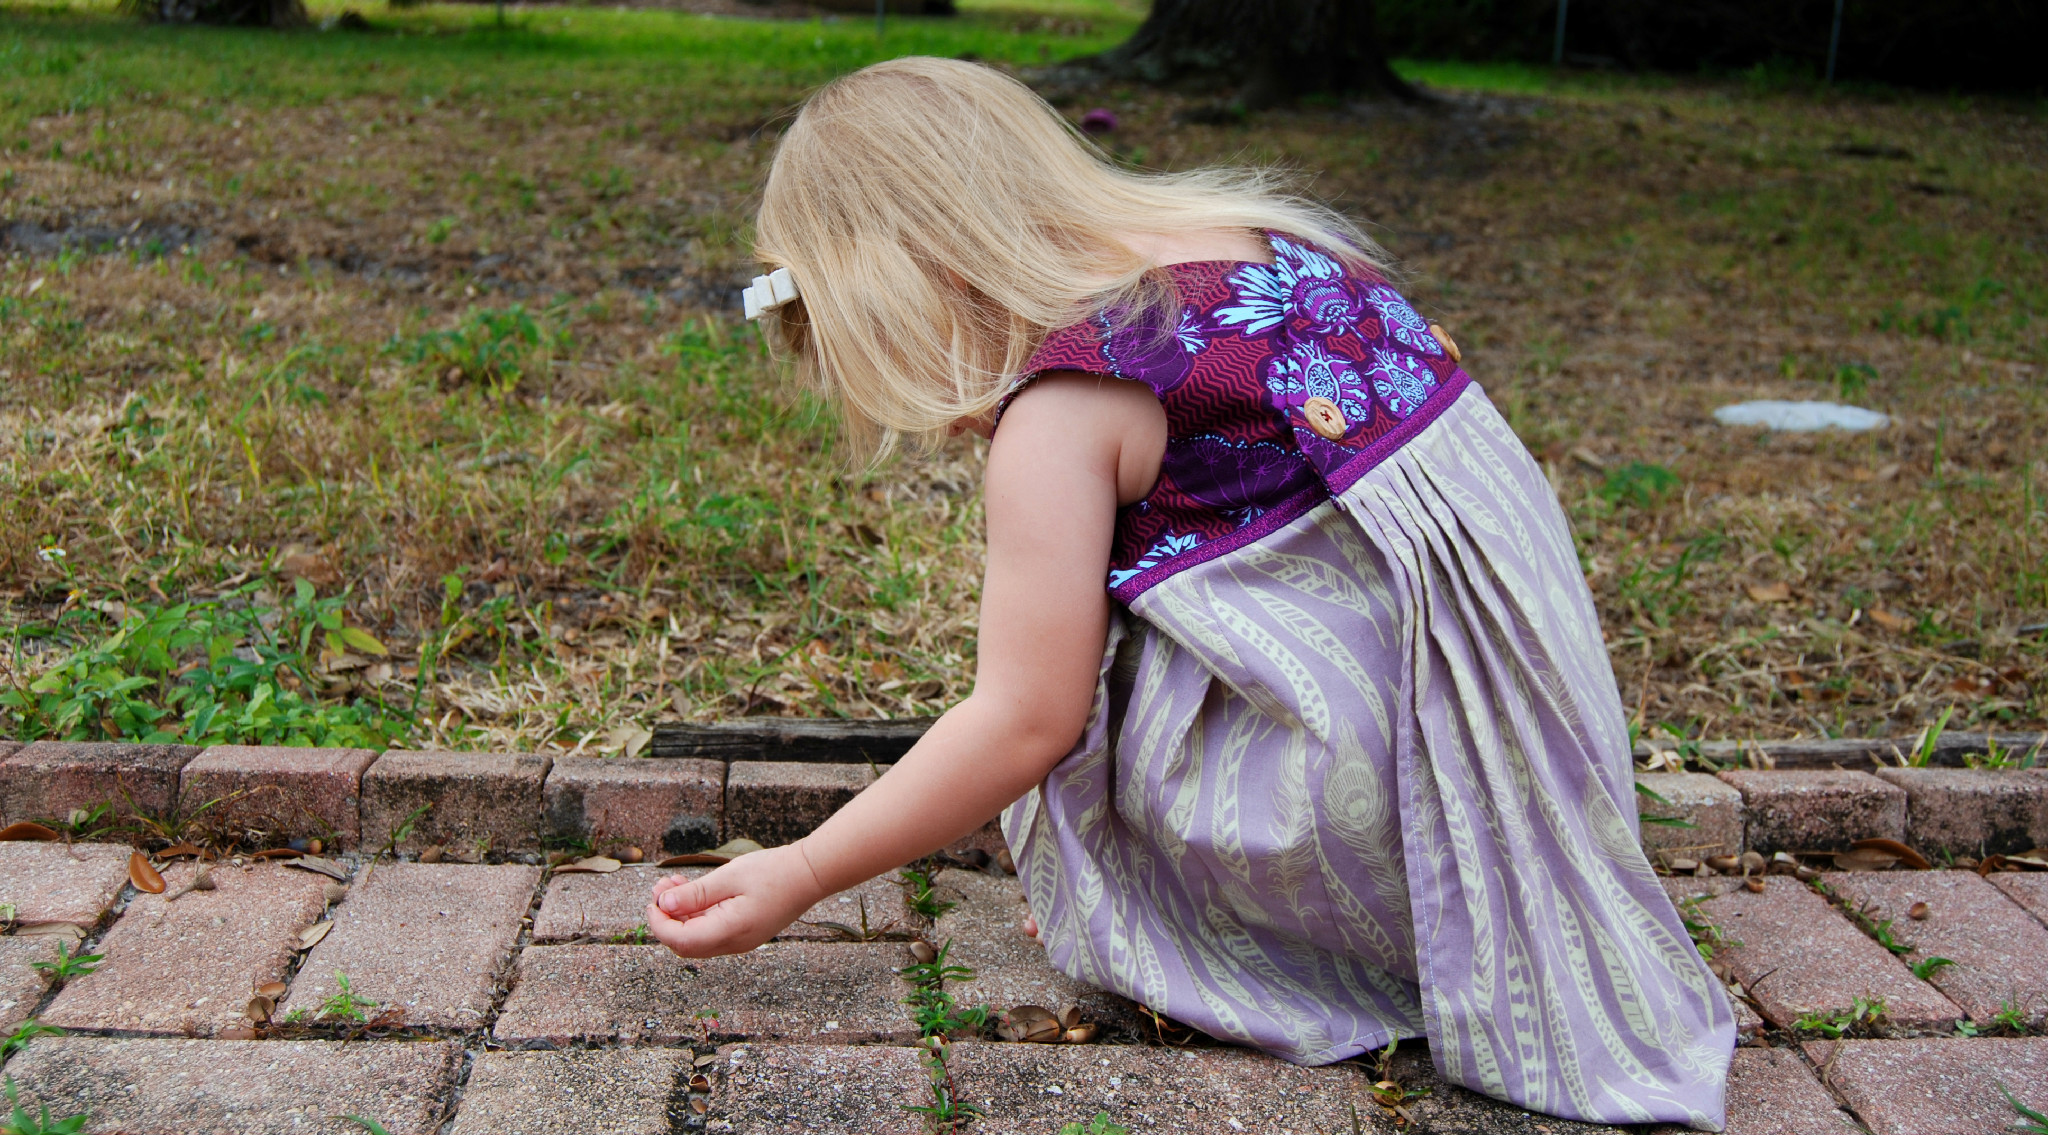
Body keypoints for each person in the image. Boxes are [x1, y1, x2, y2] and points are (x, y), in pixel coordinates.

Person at [647, 55, 1733, 1130]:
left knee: (1058, 673)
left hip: (1391, 851)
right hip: (1524, 773)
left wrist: (800, 869)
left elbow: (1023, 719)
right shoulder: (1267, 244)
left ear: (899, 283)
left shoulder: (1071, 399)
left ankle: (1206, 924)